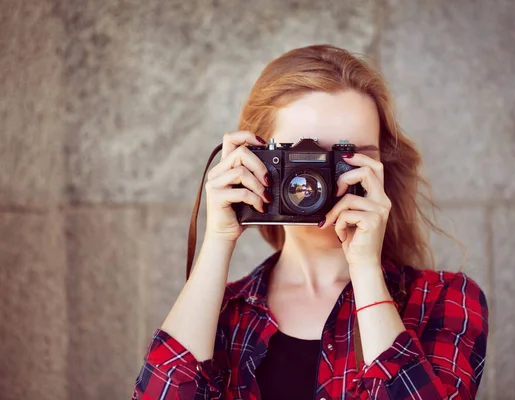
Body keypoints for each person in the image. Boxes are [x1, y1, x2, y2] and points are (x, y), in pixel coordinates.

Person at [132, 45, 488, 400]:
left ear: (382, 168)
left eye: (349, 157)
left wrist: (364, 267)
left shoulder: (445, 300)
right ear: (256, 160)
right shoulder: (218, 316)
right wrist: (218, 240)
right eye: (302, 156)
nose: (321, 181)